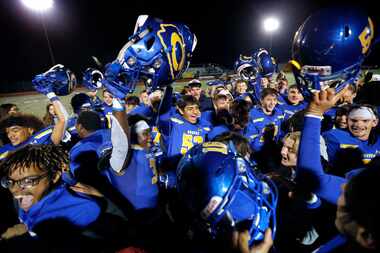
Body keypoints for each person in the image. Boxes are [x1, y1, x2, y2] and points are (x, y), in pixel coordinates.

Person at [0, 145, 101, 244]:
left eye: (28, 181)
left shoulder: (81, 210)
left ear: (55, 176)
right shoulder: (26, 199)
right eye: (9, 182)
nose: (15, 190)